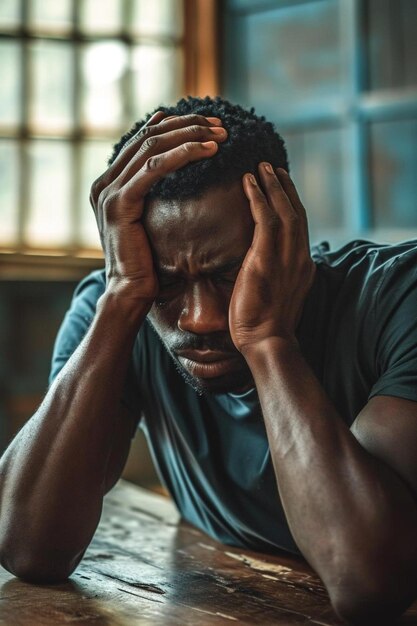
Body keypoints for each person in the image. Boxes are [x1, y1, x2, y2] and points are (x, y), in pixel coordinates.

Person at [0, 96, 416, 623]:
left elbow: (369, 580)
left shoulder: (398, 298)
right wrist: (124, 294)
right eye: (166, 283)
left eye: (229, 275)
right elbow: (29, 548)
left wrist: (267, 340)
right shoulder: (118, 310)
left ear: (287, 237)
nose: (199, 319)